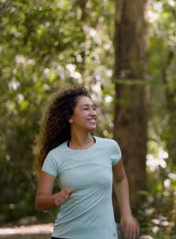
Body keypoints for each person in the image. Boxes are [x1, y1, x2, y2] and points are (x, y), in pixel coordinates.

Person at [34, 87, 139, 239]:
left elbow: (120, 179)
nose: (93, 113)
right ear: (70, 117)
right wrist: (55, 198)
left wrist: (126, 215)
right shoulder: (55, 156)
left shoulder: (110, 148)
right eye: (85, 108)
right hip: (67, 235)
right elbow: (40, 201)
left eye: (93, 108)